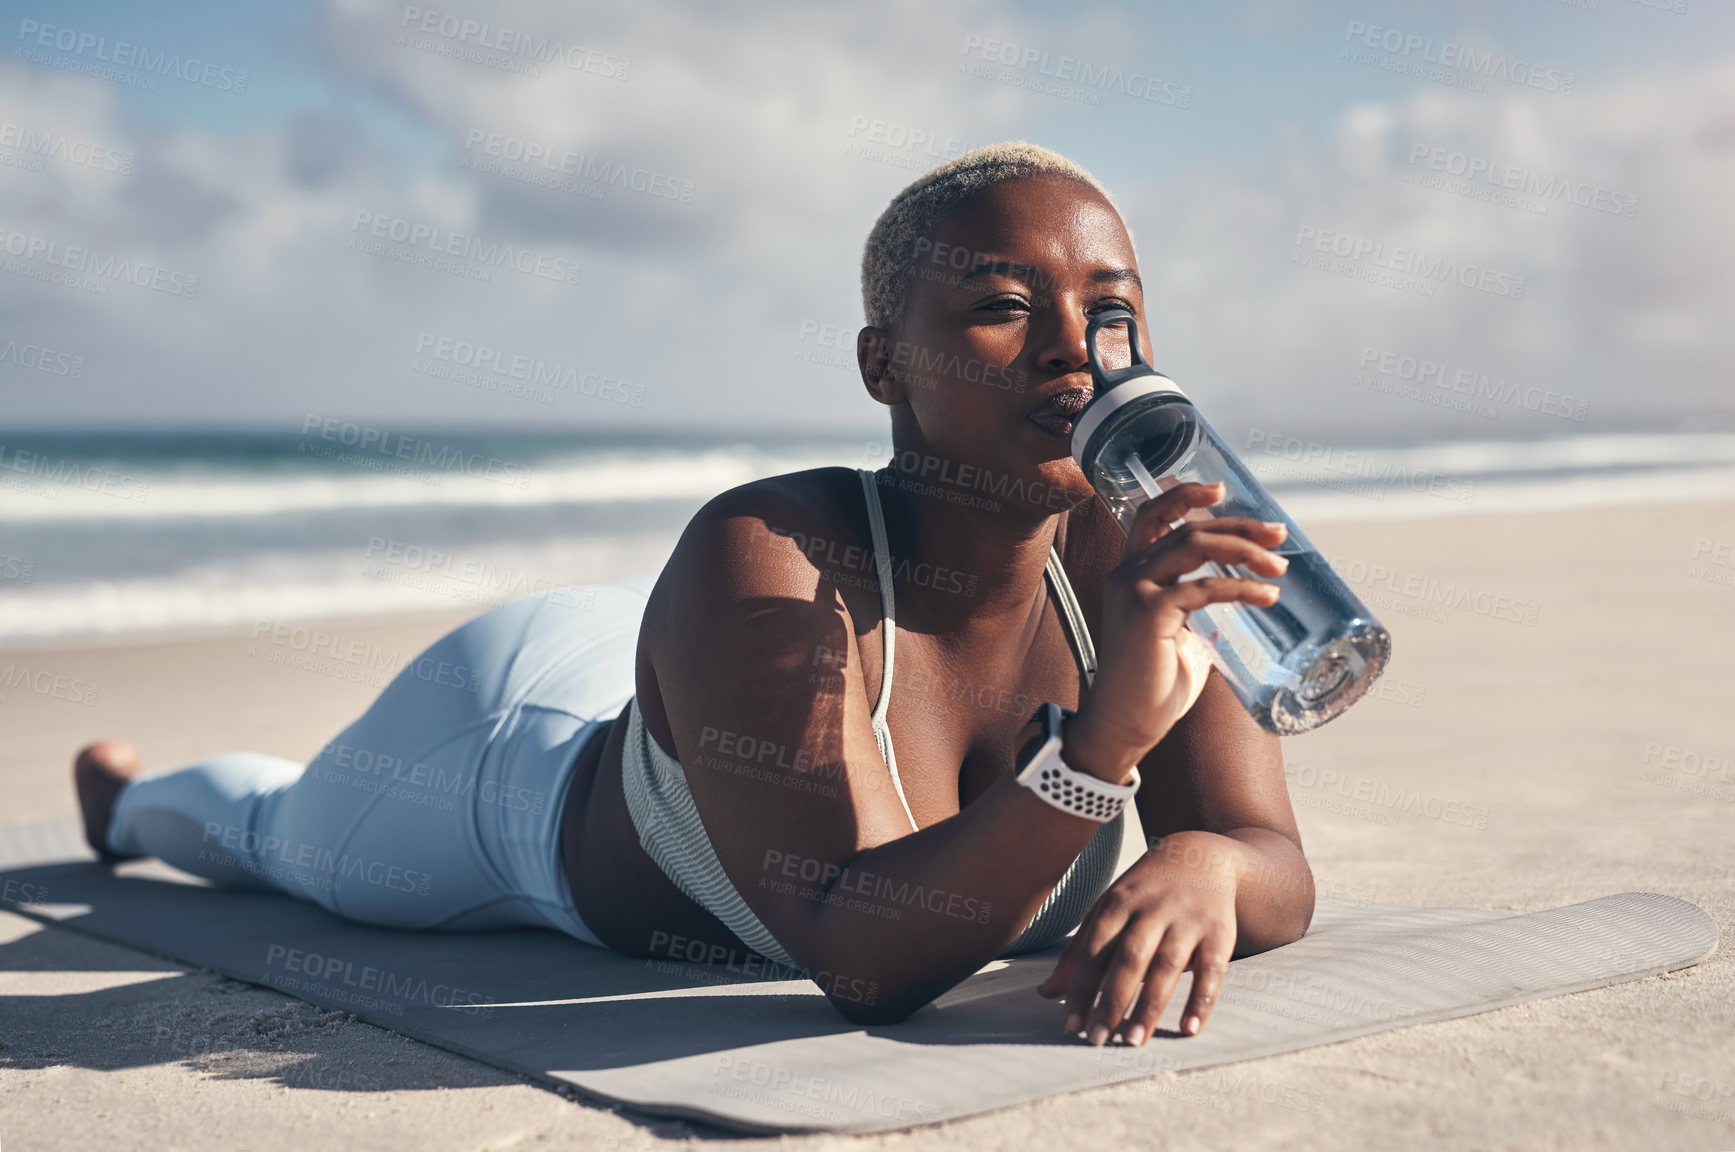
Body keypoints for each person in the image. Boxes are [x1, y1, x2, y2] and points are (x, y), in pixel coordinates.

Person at [74, 141, 1312, 1048]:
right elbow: (862, 960)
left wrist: (1203, 858)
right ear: (885, 365)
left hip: (734, 656)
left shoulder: (1146, 550)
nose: (1069, 350)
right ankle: (128, 801)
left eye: (1113, 314)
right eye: (1000, 306)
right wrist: (1103, 750)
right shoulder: (760, 544)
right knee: (279, 839)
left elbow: (1273, 861)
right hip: (501, 764)